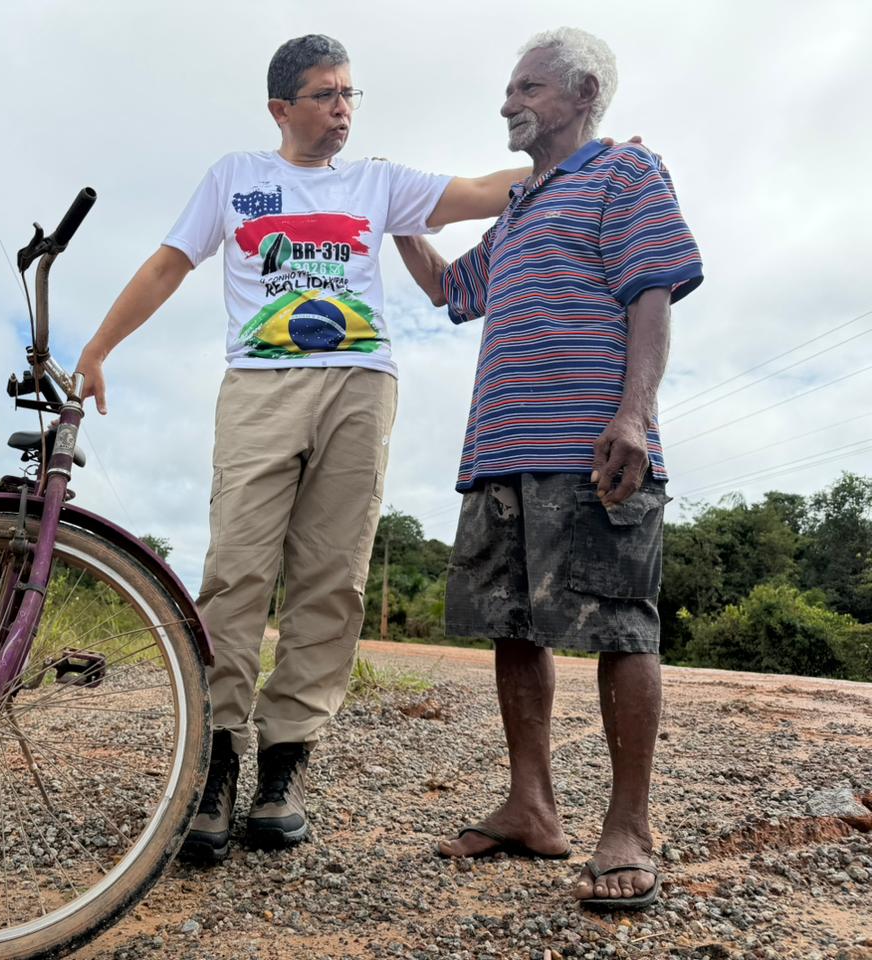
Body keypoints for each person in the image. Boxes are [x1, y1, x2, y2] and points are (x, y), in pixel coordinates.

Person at [74, 34, 526, 861]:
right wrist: (98, 349)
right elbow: (168, 265)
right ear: (282, 108)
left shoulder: (379, 182)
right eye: (326, 96)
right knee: (236, 572)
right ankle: (213, 770)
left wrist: (576, 156)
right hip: (260, 387)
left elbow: (479, 191)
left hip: (361, 387)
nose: (343, 111)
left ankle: (282, 773)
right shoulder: (236, 179)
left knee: (331, 579)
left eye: (351, 94)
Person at [394, 26, 702, 910]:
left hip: (590, 445)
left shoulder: (624, 174)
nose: (509, 103)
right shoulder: (522, 207)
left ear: (582, 94)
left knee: (621, 627)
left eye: (527, 88)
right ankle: (532, 807)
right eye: (509, 89)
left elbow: (652, 290)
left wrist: (635, 414)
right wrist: (398, 217)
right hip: (499, 453)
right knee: (513, 627)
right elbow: (454, 294)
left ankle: (628, 826)